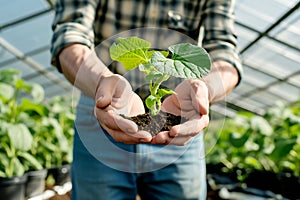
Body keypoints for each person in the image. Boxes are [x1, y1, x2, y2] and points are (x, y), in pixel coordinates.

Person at [50, 0, 242, 199]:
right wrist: (102, 83)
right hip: (103, 109)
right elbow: (70, 34)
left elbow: (225, 53)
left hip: (180, 117)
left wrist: (204, 90)